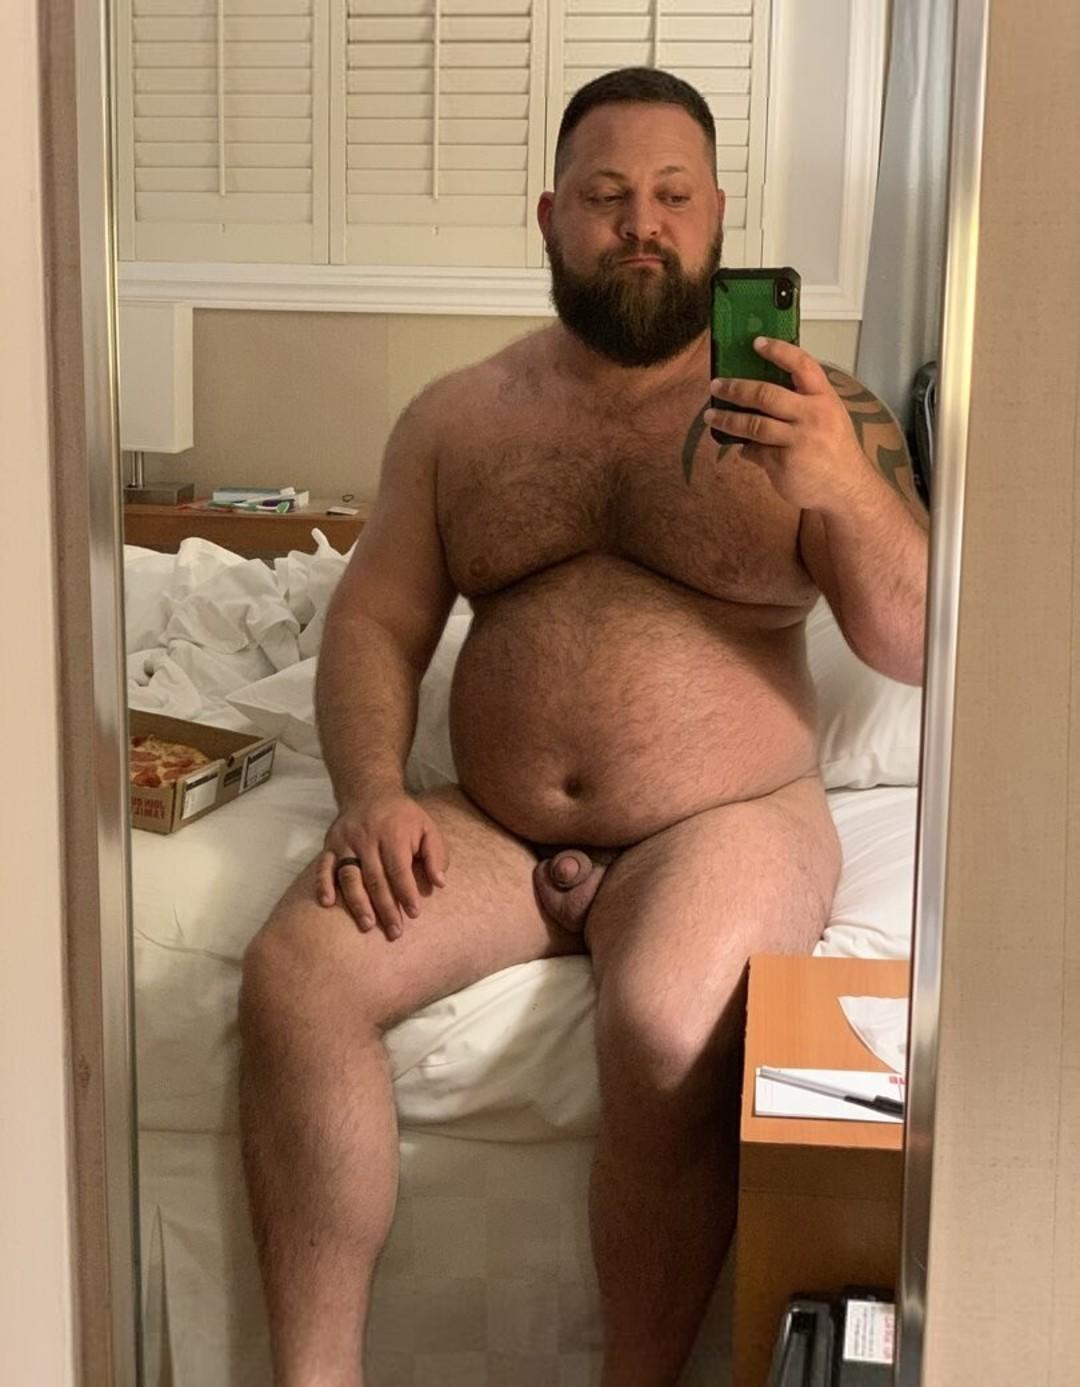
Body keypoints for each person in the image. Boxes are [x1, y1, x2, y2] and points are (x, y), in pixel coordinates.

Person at [238, 67, 928, 1387]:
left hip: (722, 819)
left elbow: (912, 642)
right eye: (607, 195)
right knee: (296, 976)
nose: (640, 223)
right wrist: (373, 791)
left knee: (669, 1025)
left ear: (717, 215)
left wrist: (844, 491)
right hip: (494, 831)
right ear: (552, 217)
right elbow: (375, 622)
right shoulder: (460, 418)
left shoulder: (817, 410)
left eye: (672, 194)